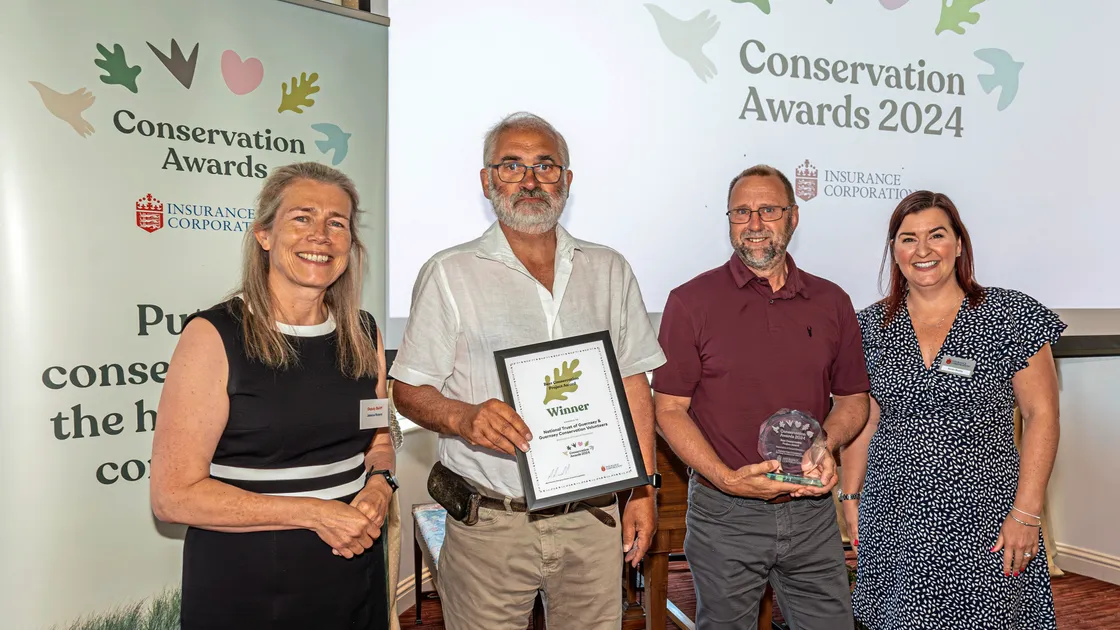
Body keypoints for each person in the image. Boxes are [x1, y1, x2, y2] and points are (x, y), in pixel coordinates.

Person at [389, 111, 665, 629]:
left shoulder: (609, 269)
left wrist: (644, 490)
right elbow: (407, 389)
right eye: (512, 166)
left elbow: (633, 383)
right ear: (487, 180)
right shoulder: (450, 273)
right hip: (493, 521)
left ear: (568, 179)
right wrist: (462, 416)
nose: (531, 180)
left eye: (546, 166)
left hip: (593, 518)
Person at [150, 162, 397, 630]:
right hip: (249, 581)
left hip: (351, 569)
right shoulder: (215, 335)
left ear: (350, 243)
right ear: (264, 234)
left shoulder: (365, 333)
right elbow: (173, 497)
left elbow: (378, 440)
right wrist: (314, 514)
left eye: (337, 223)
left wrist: (381, 486)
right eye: (302, 217)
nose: (320, 235)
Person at [652, 164, 871, 629]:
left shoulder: (832, 301)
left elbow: (853, 398)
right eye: (741, 212)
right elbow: (668, 409)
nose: (754, 224)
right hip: (724, 514)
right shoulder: (690, 301)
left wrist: (824, 444)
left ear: (793, 217)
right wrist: (725, 479)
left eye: (768, 210)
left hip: (811, 510)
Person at [840, 191, 1064, 629]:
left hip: (988, 516)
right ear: (894, 251)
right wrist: (851, 497)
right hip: (894, 515)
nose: (922, 251)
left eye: (936, 236)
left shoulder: (1010, 314)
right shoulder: (867, 327)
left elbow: (1043, 416)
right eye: (908, 239)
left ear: (959, 244)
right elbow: (865, 420)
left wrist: (1026, 512)